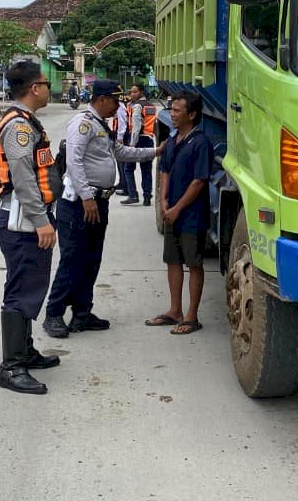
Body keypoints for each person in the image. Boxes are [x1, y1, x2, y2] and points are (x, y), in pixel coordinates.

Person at [42, 80, 164, 337]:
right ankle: (53, 313)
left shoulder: (102, 125)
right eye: (115, 100)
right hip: (78, 204)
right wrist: (86, 197)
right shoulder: (82, 124)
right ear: (101, 99)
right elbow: (73, 162)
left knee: (91, 260)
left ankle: (82, 313)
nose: (118, 105)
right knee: (72, 259)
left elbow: (120, 151)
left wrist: (155, 152)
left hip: (99, 202)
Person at [0, 59, 61, 396]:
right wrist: (41, 222)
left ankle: (25, 350)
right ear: (35, 88)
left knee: (30, 286)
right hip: (23, 222)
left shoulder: (27, 122)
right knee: (22, 290)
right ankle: (12, 366)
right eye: (46, 83)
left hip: (26, 220)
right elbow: (23, 178)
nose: (49, 88)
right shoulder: (18, 126)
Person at [145, 90, 214, 335]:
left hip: (191, 214)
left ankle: (192, 316)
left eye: (176, 111)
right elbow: (164, 170)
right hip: (171, 211)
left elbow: (199, 181)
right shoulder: (173, 139)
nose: (171, 114)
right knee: (172, 260)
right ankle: (175, 311)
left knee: (193, 263)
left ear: (192, 115)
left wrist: (177, 208)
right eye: (172, 109)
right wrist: (163, 200)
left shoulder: (201, 143)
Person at [121, 82, 158, 206]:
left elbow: (136, 127)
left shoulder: (137, 106)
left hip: (137, 140)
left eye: (135, 91)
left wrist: (132, 144)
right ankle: (147, 198)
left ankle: (133, 195)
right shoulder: (151, 106)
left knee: (128, 168)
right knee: (146, 170)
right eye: (131, 92)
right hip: (148, 140)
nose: (132, 94)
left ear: (141, 92)